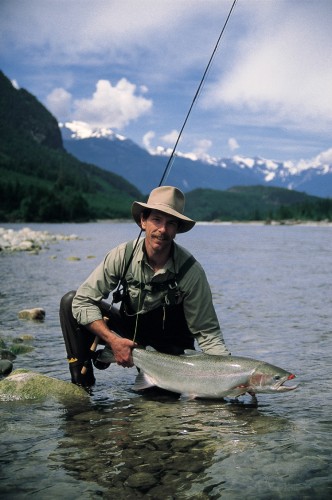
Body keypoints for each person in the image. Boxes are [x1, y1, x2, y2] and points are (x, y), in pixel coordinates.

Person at [59, 186, 230, 387]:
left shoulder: (191, 271)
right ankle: (81, 390)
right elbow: (83, 301)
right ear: (143, 222)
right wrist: (113, 340)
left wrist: (232, 377)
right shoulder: (123, 255)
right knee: (70, 302)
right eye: (156, 220)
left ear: (177, 230)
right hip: (128, 335)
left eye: (171, 223)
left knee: (161, 404)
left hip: (170, 354)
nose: (162, 230)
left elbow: (207, 333)